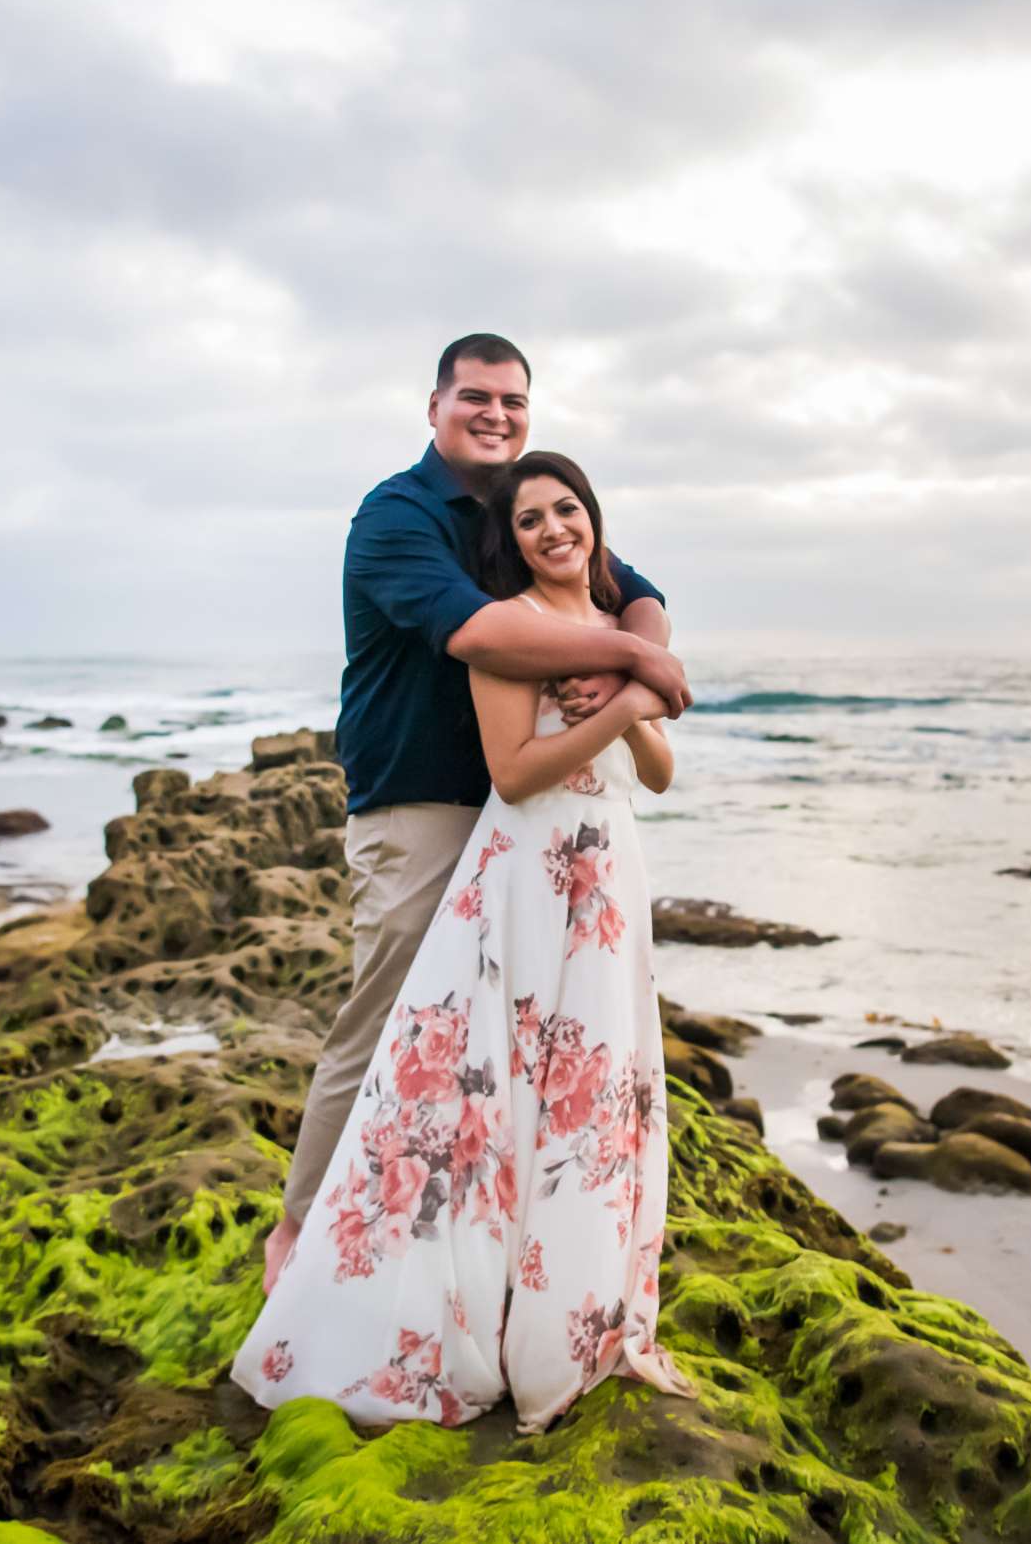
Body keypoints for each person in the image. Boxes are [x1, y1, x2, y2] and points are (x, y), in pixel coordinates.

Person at [230, 447, 695, 1430]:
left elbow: (656, 769)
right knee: (489, 1090)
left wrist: (629, 694)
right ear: (508, 539)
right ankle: (385, 1284)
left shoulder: (615, 623)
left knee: (598, 1096)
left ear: (595, 520)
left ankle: (586, 1320)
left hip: (608, 882)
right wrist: (630, 697)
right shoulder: (504, 632)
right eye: (531, 521)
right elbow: (516, 774)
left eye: (568, 511)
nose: (554, 529)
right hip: (529, 873)